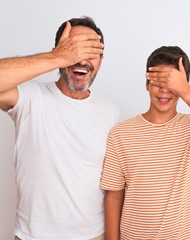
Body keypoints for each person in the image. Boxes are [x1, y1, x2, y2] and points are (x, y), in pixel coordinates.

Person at [0, 17, 120, 240]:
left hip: (92, 235)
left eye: (91, 51)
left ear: (101, 61)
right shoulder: (30, 97)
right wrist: (57, 57)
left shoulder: (110, 112)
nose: (81, 59)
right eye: (74, 49)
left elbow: (113, 188)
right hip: (32, 236)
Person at [100, 46, 190, 239]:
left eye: (172, 83)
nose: (164, 90)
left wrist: (186, 90)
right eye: (158, 82)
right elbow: (114, 196)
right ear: (147, 83)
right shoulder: (121, 134)